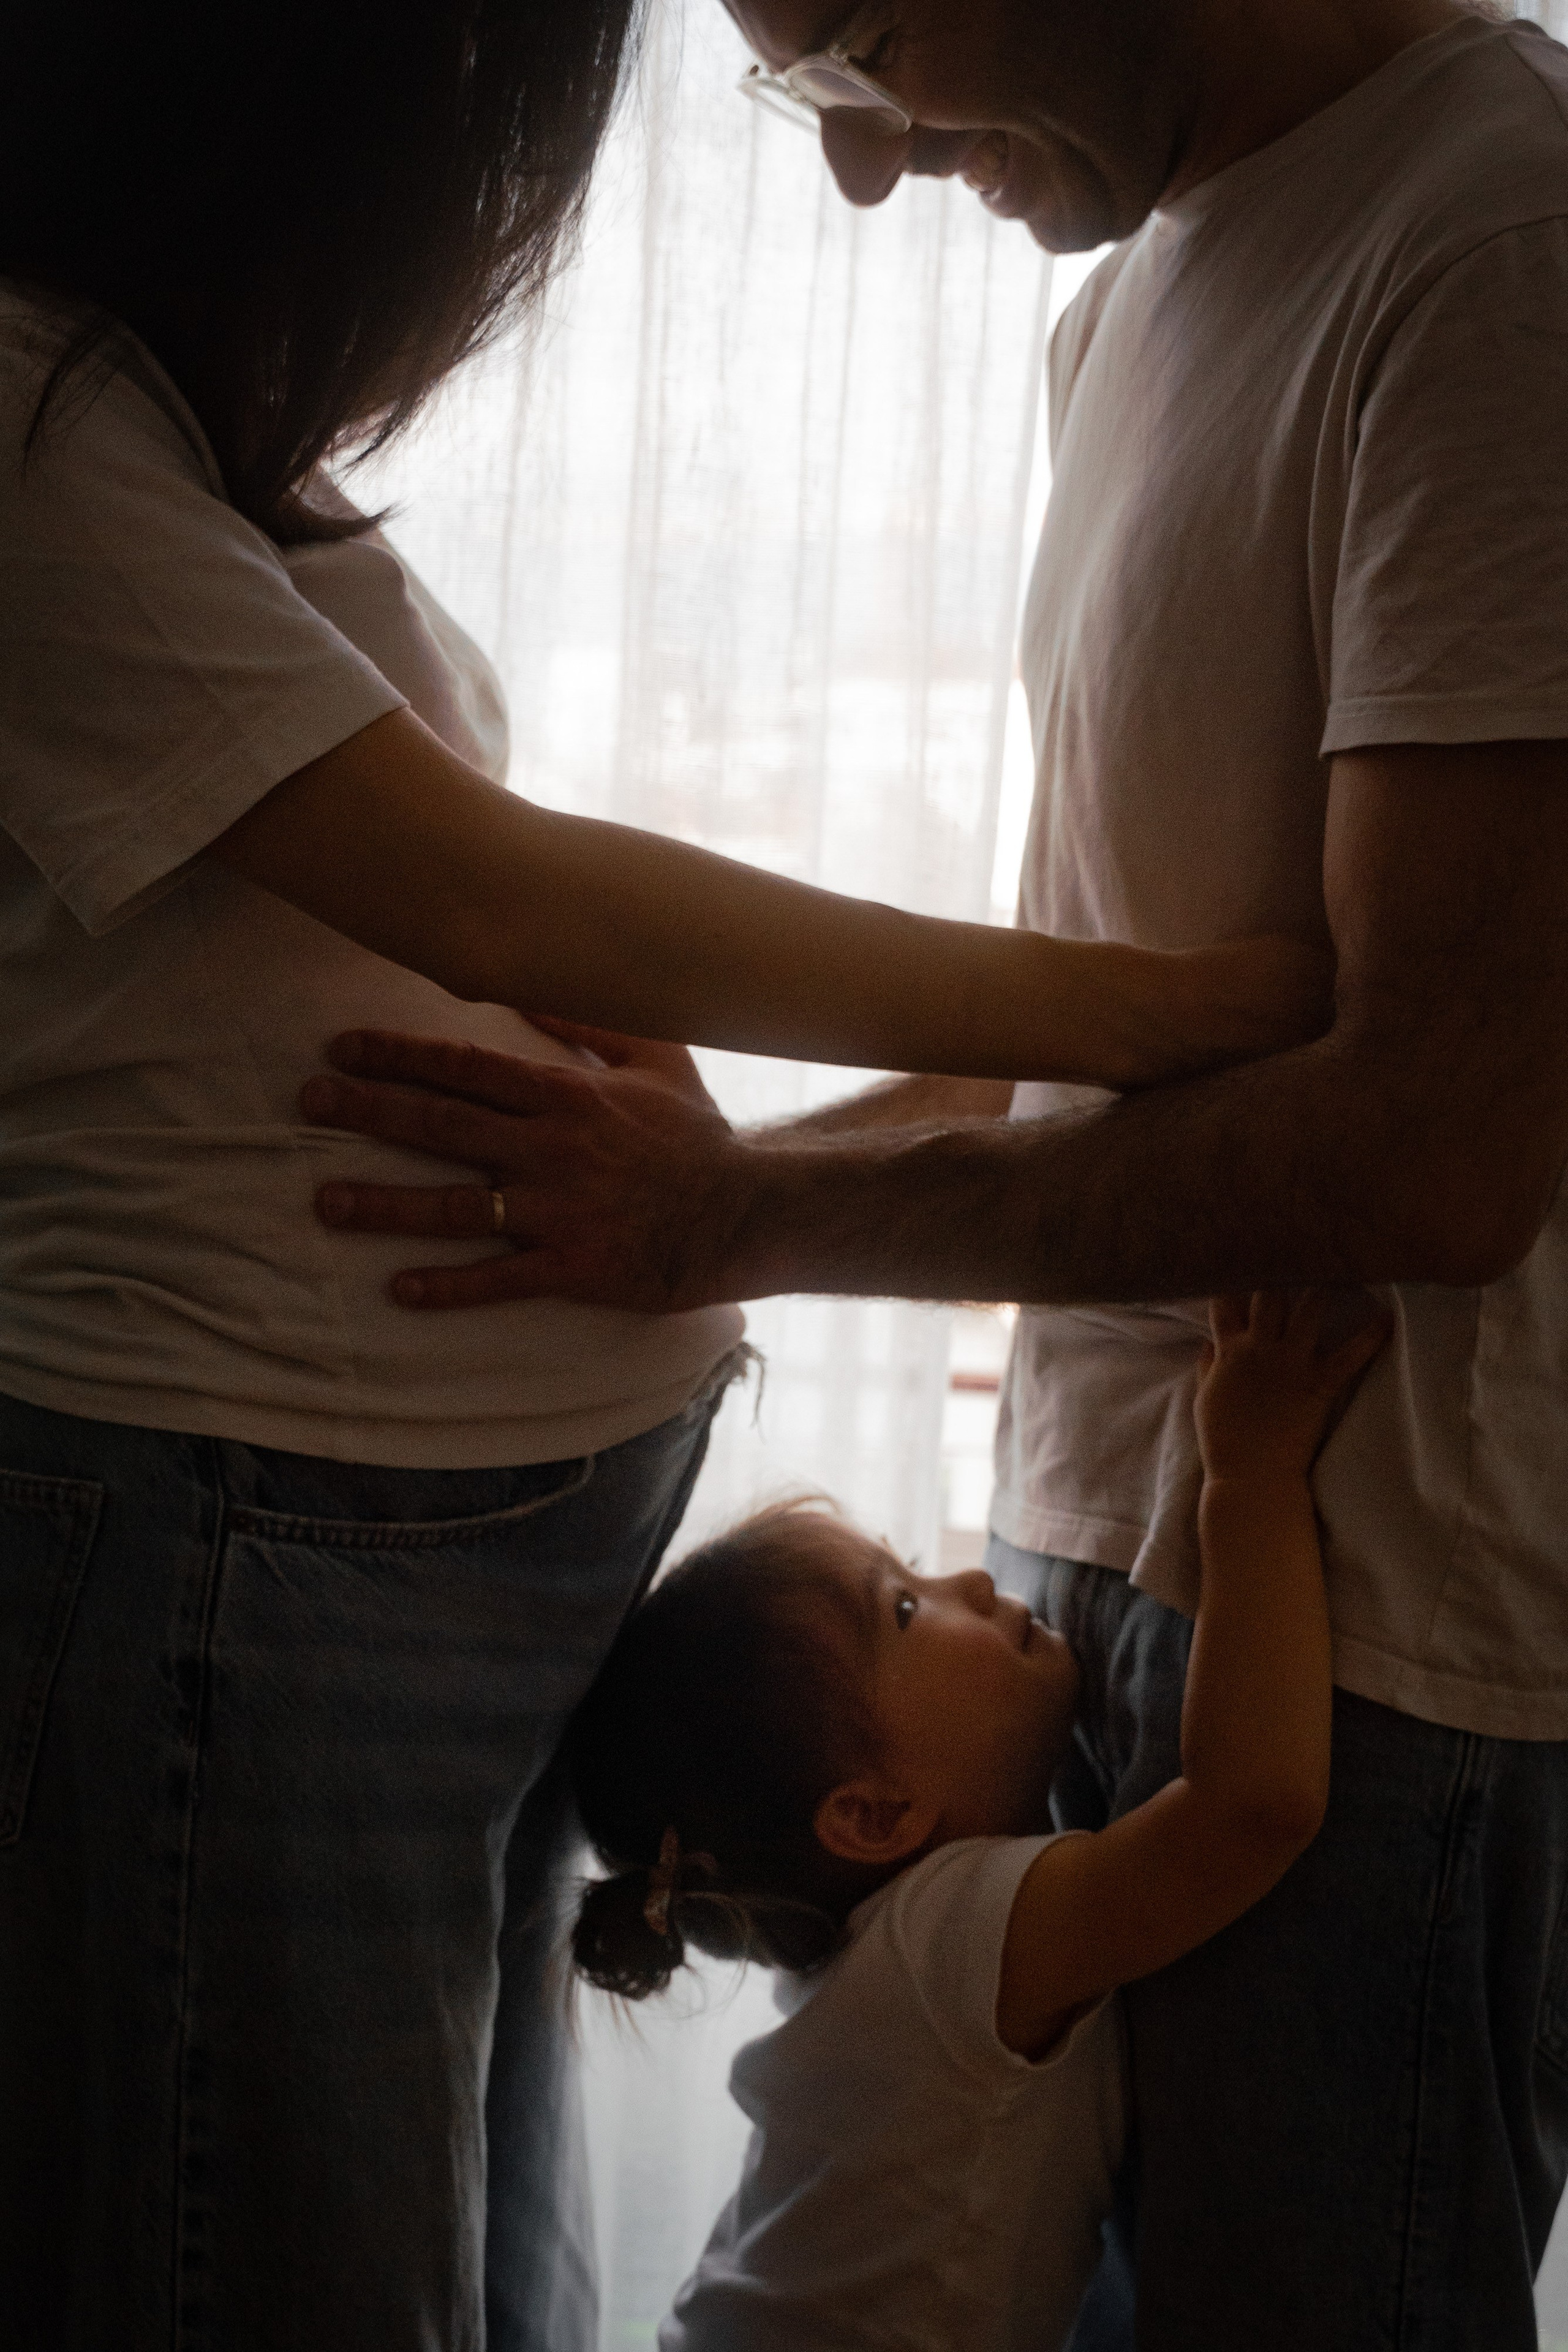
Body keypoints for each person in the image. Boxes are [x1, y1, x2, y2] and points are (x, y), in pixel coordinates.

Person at [0, 7, 1330, 2348]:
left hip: (407, 1574)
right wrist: (1150, 1008)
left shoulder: (149, 399)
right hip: (243, 1543)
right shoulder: (17, 407)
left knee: (449, 2270)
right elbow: (505, 901)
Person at [301, 2, 1568, 2345]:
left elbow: (1442, 1136)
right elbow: (1057, 1045)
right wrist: (695, 1177)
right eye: (809, 82)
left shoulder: (1499, 235)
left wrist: (745, 1218)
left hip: (1370, 1612)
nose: (868, 167)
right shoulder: (1124, 306)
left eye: (863, 41)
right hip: (1115, 1552)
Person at [565, 1293, 1385, 2351]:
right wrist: (1251, 1471)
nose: (965, 1578)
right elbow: (1253, 1808)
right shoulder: (955, 1940)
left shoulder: (873, 1957)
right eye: (904, 1607)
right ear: (872, 1814)